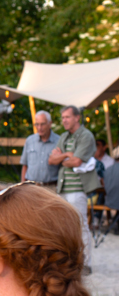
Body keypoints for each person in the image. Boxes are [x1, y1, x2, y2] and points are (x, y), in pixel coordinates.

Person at [49, 105, 98, 274]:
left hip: (78, 188)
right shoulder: (63, 136)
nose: (64, 120)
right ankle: (69, 261)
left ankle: (85, 263)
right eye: (62, 117)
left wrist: (64, 157)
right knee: (63, 226)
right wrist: (66, 155)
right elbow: (52, 159)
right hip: (62, 187)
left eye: (67, 117)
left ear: (77, 118)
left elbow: (77, 161)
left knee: (80, 225)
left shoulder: (86, 135)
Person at [19, 110, 60, 186]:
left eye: (42, 124)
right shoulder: (30, 140)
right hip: (31, 186)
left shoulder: (58, 141)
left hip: (51, 187)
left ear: (50, 124)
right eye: (37, 124)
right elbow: (25, 165)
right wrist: (22, 185)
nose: (39, 127)